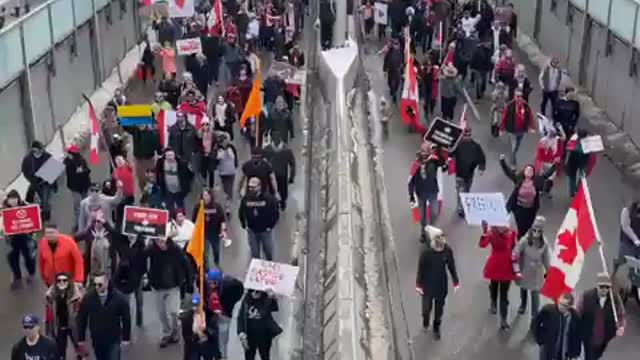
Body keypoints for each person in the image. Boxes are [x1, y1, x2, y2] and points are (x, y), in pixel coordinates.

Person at [145, 237, 194, 347]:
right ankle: (166, 333)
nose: (160, 244)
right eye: (157, 241)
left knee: (174, 312)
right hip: (157, 286)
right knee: (161, 312)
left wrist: (189, 282)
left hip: (173, 286)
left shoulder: (175, 249)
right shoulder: (152, 249)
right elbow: (142, 255)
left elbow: (186, 264)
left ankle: (175, 331)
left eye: (162, 241)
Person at [415, 226, 459, 340]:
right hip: (427, 285)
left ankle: (436, 327)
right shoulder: (426, 253)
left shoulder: (447, 250)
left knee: (439, 309)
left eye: (442, 245)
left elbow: (451, 266)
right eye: (438, 245)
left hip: (441, 285)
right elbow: (421, 269)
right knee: (426, 309)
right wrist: (418, 284)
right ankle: (425, 321)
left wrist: (455, 281)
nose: (440, 248)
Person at [77, 272, 131, 360]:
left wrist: (126, 338)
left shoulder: (119, 298)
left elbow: (126, 318)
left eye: (100, 284)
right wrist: (81, 339)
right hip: (97, 339)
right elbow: (82, 318)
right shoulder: (88, 298)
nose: (97, 287)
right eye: (95, 284)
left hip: (114, 339)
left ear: (106, 283)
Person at [500, 154, 554, 236]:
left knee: (528, 227)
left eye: (531, 170)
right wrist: (502, 161)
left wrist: (555, 165)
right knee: (521, 227)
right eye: (527, 170)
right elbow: (508, 172)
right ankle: (520, 240)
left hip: (530, 210)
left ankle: (525, 238)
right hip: (518, 209)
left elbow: (546, 175)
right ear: (524, 172)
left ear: (533, 173)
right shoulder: (518, 179)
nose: (529, 171)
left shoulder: (537, 181)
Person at [479, 220, 518, 331]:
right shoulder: (491, 233)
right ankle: (493, 302)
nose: (503, 226)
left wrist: (516, 260)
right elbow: (482, 244)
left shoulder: (511, 233)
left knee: (504, 295)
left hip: (505, 265)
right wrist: (484, 231)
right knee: (494, 286)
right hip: (496, 264)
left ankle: (503, 320)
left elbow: (515, 247)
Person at [577, 273, 626, 360]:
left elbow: (621, 314)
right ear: (597, 286)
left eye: (607, 287)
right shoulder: (586, 296)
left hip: (605, 336)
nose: (604, 290)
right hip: (589, 336)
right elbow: (578, 313)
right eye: (601, 287)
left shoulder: (614, 298)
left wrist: (621, 326)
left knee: (598, 355)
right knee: (590, 356)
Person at [512, 216, 550, 325]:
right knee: (523, 288)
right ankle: (523, 304)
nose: (536, 232)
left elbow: (546, 259)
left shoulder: (544, 243)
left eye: (539, 231)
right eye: (534, 230)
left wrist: (548, 272)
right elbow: (515, 253)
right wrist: (516, 270)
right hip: (524, 270)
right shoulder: (524, 240)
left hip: (536, 273)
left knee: (535, 295)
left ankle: (534, 318)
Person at [205, 269, 244, 359]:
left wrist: (228, 306)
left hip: (224, 313)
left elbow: (239, 290)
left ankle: (222, 356)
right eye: (209, 283)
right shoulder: (209, 284)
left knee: (222, 336)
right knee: (212, 336)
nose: (211, 285)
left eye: (213, 283)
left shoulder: (231, 285)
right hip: (212, 312)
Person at [408, 142, 444, 242]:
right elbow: (411, 180)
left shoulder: (434, 161)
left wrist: (439, 150)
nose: (425, 153)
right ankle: (423, 232)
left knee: (434, 212)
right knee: (422, 216)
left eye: (427, 151)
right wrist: (411, 194)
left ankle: (431, 230)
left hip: (432, 192)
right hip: (421, 193)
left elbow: (441, 163)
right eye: (423, 151)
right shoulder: (416, 164)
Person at [239, 177, 280, 260]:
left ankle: (269, 266)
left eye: (253, 187)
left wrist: (271, 226)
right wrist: (244, 225)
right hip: (252, 230)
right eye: (250, 187)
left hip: (265, 230)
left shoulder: (268, 199)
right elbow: (241, 212)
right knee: (255, 253)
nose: (251, 189)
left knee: (268, 251)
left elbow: (275, 213)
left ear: (259, 187)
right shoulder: (246, 199)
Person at [45, 272, 84, 359]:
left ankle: (81, 356)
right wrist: (48, 331)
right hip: (59, 327)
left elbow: (82, 314)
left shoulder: (76, 296)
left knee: (78, 345)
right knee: (60, 351)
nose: (62, 282)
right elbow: (48, 317)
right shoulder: (51, 297)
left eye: (64, 280)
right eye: (59, 280)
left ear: (68, 282)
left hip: (73, 326)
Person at [3, 190, 37, 289]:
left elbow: (33, 218)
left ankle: (31, 273)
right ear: (8, 200)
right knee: (13, 258)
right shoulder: (4, 209)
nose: (13, 202)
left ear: (18, 198)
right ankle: (17, 276)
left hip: (26, 236)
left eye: (15, 199)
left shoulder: (25, 205)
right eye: (11, 199)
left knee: (28, 256)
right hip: (12, 238)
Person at [533, 292, 582, 360]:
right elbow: (536, 323)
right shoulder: (548, 310)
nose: (560, 306)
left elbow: (578, 336)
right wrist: (539, 340)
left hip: (564, 351)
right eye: (559, 303)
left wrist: (575, 354)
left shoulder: (575, 317)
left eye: (564, 305)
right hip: (548, 349)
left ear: (570, 306)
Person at [450, 128, 485, 217]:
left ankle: (464, 203)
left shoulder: (476, 146)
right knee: (460, 191)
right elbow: (450, 153)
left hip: (469, 174)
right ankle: (461, 208)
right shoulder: (457, 145)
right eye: (465, 135)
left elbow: (482, 158)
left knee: (466, 190)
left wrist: (481, 168)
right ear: (462, 135)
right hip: (460, 174)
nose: (467, 137)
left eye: (469, 135)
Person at [237, 289, 282, 360]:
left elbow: (274, 308)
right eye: (252, 291)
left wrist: (273, 298)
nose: (254, 293)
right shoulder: (246, 300)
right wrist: (242, 335)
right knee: (249, 357)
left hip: (264, 336)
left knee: (265, 356)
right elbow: (241, 317)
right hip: (250, 336)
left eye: (257, 292)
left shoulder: (266, 298)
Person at [38, 223, 84, 288]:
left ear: (57, 232)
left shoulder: (69, 242)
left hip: (67, 279)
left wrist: (79, 279)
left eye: (52, 232)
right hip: (52, 280)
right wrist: (44, 277)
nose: (49, 235)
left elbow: (78, 260)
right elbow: (41, 261)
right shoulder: (42, 243)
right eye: (47, 233)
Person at [192, 189, 227, 266]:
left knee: (216, 250)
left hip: (215, 233)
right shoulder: (198, 207)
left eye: (207, 195)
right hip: (203, 233)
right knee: (205, 252)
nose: (205, 197)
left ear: (211, 196)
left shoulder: (217, 206)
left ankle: (216, 262)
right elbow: (194, 220)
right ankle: (206, 267)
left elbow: (222, 220)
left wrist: (223, 231)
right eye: (204, 195)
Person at [500, 89, 535, 165]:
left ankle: (513, 156)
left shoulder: (525, 105)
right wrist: (502, 129)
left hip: (521, 130)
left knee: (517, 147)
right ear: (514, 96)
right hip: (513, 130)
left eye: (521, 96)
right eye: (518, 96)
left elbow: (530, 116)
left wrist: (531, 127)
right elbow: (504, 117)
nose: (519, 98)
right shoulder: (510, 106)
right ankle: (513, 163)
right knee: (514, 147)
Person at [180, 293, 220, 360]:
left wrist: (206, 330)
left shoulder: (211, 316)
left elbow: (215, 334)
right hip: (193, 347)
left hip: (208, 346)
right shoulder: (186, 318)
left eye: (198, 305)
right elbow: (186, 337)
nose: (196, 308)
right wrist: (196, 336)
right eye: (194, 306)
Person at [21, 140, 54, 221]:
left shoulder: (47, 156)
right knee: (40, 199)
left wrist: (49, 177)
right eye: (39, 151)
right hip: (35, 183)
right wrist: (31, 179)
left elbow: (54, 169)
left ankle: (46, 216)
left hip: (46, 183)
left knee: (45, 200)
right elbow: (24, 171)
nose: (41, 152)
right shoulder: (27, 160)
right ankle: (42, 211)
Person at [263, 132, 296, 210]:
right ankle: (281, 203)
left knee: (273, 190)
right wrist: (291, 177)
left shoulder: (267, 149)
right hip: (282, 175)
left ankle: (275, 204)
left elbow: (262, 163)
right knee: (282, 191)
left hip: (272, 175)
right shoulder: (287, 150)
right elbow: (292, 164)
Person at [63, 144, 91, 227]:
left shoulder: (80, 161)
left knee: (83, 205)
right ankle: (79, 223)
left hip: (82, 187)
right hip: (76, 188)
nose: (68, 154)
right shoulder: (67, 161)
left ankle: (86, 222)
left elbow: (86, 171)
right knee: (78, 206)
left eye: (69, 153)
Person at [216, 132, 238, 215]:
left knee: (229, 189)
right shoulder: (219, 149)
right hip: (223, 172)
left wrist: (228, 151)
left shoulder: (231, 147)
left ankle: (227, 206)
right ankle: (226, 203)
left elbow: (233, 157)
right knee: (225, 189)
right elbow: (218, 157)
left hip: (231, 172)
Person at [619, 199, 640, 263]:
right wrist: (635, 240)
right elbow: (625, 227)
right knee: (630, 262)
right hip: (628, 243)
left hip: (636, 244)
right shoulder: (627, 211)